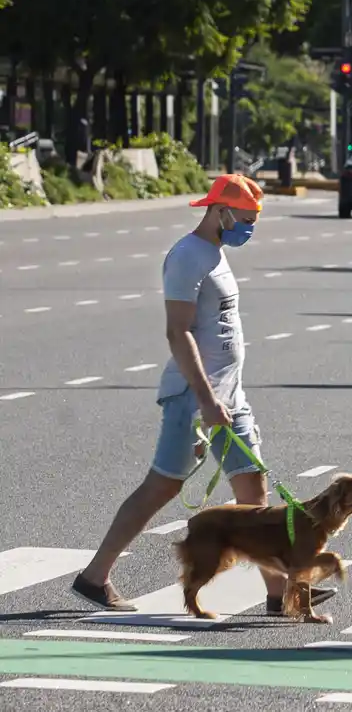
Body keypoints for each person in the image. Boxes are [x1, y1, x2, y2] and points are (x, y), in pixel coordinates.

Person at [72, 173, 333, 616]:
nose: (248, 228)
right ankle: (94, 577)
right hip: (195, 398)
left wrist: (226, 396)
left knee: (254, 490)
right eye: (244, 219)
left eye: (254, 220)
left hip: (229, 396)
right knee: (162, 486)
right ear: (219, 211)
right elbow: (178, 332)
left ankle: (278, 595)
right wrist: (207, 399)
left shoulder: (214, 252)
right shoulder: (189, 256)